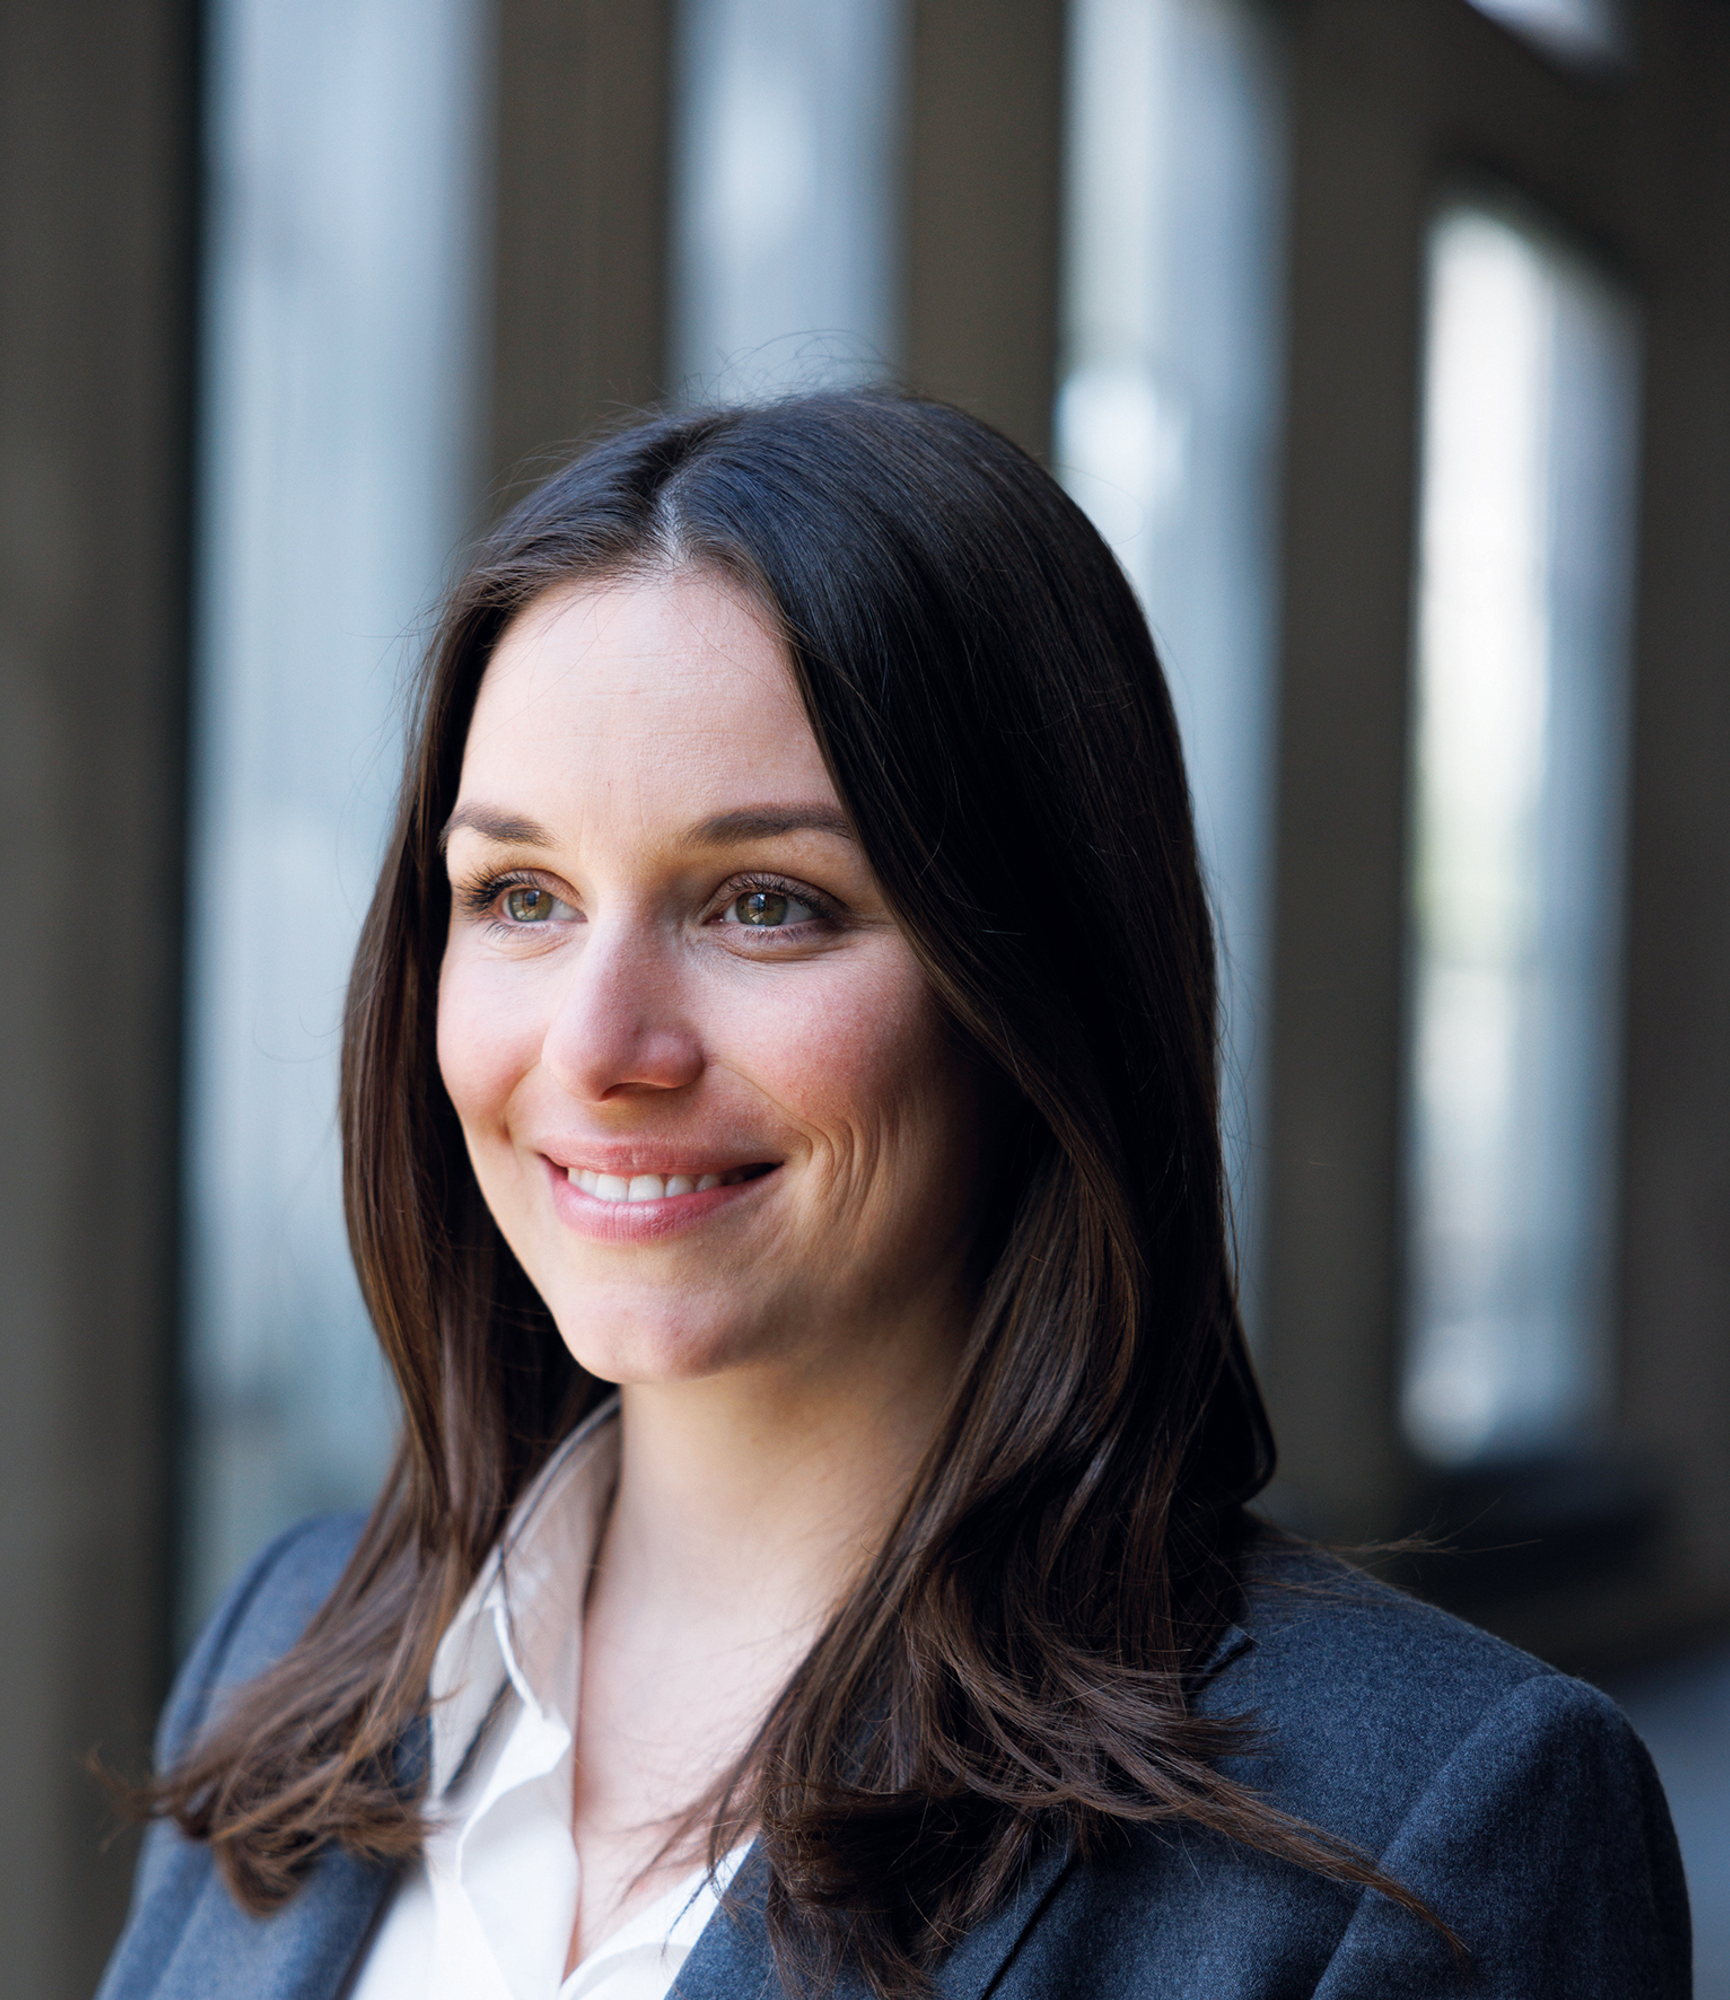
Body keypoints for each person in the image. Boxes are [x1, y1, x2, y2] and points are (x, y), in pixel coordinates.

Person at [97, 391, 1689, 2000]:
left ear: (1040, 986)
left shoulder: (1436, 1829)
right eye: (520, 895)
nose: (596, 1048)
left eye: (765, 903)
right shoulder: (288, 1647)